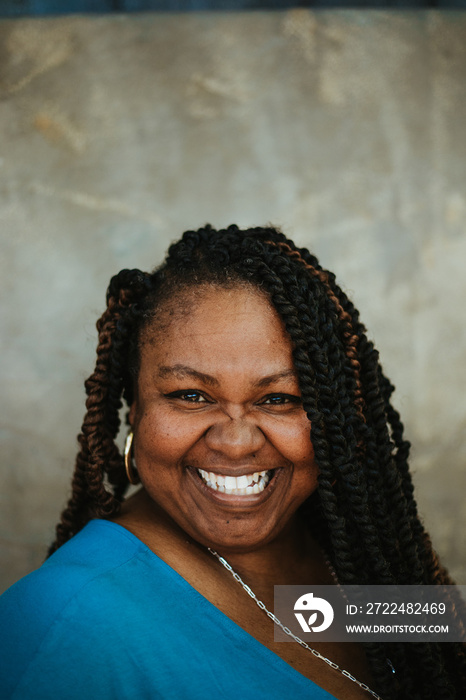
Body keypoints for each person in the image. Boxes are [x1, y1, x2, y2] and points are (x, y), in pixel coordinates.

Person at [0, 225, 464, 700]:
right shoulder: (58, 624)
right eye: (191, 395)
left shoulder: (359, 553)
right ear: (134, 407)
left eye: (280, 398)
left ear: (336, 418)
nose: (236, 442)